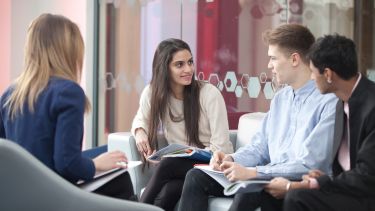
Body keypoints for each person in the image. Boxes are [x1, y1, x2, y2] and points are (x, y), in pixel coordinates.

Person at [178, 24, 338, 211]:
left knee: (249, 189)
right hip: (265, 176)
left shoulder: (328, 102)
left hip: (296, 185)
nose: (269, 65)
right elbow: (260, 148)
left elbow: (309, 164)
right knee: (195, 177)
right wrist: (231, 159)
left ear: (294, 59)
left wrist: (253, 173)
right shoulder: (280, 98)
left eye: (273, 58)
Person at [0, 13, 134, 200]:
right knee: (121, 180)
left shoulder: (9, 94)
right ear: (68, 52)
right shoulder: (68, 92)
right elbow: (66, 164)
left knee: (105, 152)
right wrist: (95, 166)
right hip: (53, 196)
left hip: (18, 196)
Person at [131, 38, 233, 211]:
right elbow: (141, 118)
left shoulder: (209, 94)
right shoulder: (154, 93)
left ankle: (136, 209)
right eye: (179, 65)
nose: (188, 69)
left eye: (190, 62)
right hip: (183, 169)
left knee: (167, 164)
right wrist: (140, 131)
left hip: (214, 165)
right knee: (170, 190)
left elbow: (221, 147)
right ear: (165, 68)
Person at [283, 35, 375, 211]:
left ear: (328, 74)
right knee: (270, 195)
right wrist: (324, 179)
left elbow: (368, 175)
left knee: (296, 197)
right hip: (348, 189)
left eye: (312, 72)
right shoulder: (341, 101)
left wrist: (322, 182)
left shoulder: (372, 106)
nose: (311, 78)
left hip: (368, 196)